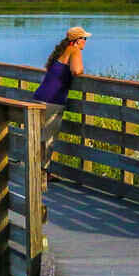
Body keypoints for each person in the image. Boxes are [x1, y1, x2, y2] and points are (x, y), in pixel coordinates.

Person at [32, 26, 88, 177]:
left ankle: (36, 170)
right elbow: (76, 71)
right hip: (53, 101)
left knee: (37, 136)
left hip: (40, 97)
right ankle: (42, 174)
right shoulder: (75, 50)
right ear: (76, 41)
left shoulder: (61, 52)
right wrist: (82, 71)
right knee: (48, 138)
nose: (86, 42)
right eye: (84, 39)